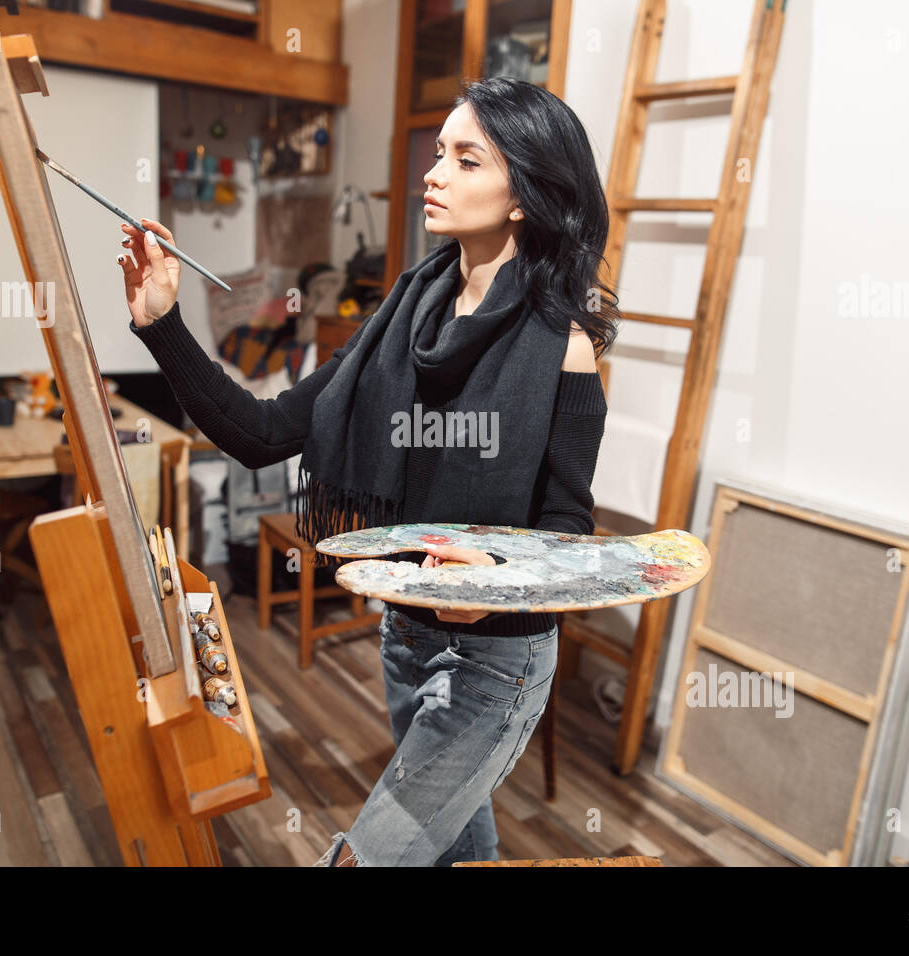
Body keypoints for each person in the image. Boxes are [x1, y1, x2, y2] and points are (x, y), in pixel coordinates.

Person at [116, 76, 618, 866]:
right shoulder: (403, 313)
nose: (435, 173)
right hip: (407, 635)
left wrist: (490, 576)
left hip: (498, 659)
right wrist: (162, 325)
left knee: (362, 861)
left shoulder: (564, 346)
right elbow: (263, 431)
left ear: (523, 194)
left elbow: (567, 532)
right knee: (454, 854)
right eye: (439, 153)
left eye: (466, 159)